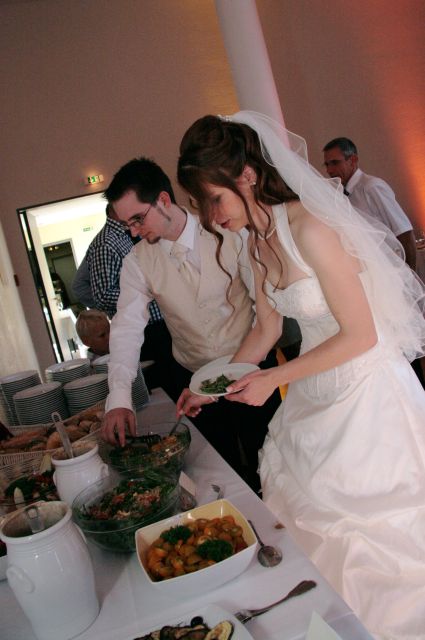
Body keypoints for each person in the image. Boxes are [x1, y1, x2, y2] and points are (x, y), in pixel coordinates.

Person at [176, 111, 425, 639]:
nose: (213, 217)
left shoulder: (311, 226)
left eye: (214, 199)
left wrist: (271, 380)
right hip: (315, 389)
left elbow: (361, 335)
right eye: (202, 206)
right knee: (311, 524)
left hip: (367, 392)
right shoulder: (253, 243)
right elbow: (266, 329)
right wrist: (211, 388)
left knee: (379, 539)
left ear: (247, 176)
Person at [101, 157, 281, 491]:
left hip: (254, 369)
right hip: (194, 381)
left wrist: (238, 371)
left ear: (163, 200)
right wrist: (120, 396)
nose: (134, 231)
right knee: (220, 478)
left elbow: (265, 312)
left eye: (138, 219)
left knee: (274, 465)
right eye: (127, 225)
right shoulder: (136, 262)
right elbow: (126, 329)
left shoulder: (229, 230)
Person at [323, 137, 417, 270]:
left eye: (335, 163)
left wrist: (411, 276)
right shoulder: (341, 194)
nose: (329, 170)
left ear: (353, 160)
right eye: (327, 165)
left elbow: (404, 232)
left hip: (393, 268)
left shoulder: (371, 187)